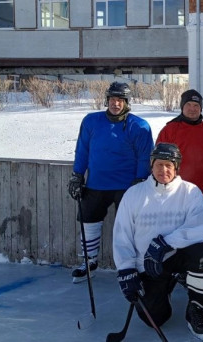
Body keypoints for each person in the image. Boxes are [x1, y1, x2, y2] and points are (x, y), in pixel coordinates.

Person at [112, 143, 203, 340]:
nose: (163, 170)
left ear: (177, 167)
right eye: (159, 164)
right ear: (151, 165)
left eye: (169, 165)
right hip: (149, 266)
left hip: (178, 258)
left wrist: (165, 243)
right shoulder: (134, 194)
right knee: (155, 318)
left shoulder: (190, 191)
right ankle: (165, 289)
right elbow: (121, 235)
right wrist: (126, 270)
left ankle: (196, 308)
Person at [67, 81, 154, 283]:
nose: (116, 104)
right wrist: (77, 175)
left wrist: (140, 180)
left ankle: (134, 265)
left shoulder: (139, 126)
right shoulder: (91, 121)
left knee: (130, 226)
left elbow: (145, 156)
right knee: (88, 221)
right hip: (96, 183)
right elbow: (82, 150)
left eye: (120, 100)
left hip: (127, 187)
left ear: (127, 102)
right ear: (107, 100)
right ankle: (89, 262)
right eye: (113, 99)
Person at [156, 89, 203, 220]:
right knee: (175, 231)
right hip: (175, 192)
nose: (192, 109)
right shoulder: (169, 130)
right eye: (188, 105)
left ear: (201, 108)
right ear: (182, 107)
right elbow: (157, 161)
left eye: (196, 105)